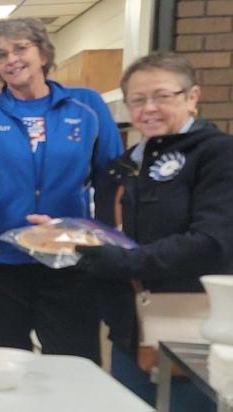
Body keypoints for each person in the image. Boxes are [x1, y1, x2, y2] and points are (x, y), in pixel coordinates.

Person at [0, 18, 123, 363]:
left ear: (43, 53)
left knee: (73, 364)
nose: (11, 59)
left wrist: (97, 237)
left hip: (69, 258)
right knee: (4, 366)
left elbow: (114, 177)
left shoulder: (87, 106)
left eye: (20, 48)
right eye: (0, 54)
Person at [76, 52, 227, 411]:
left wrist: (126, 262)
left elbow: (213, 242)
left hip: (193, 324)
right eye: (138, 100)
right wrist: (66, 236)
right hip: (131, 326)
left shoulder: (218, 155)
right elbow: (111, 233)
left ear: (192, 97)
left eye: (162, 96)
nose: (149, 109)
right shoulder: (123, 166)